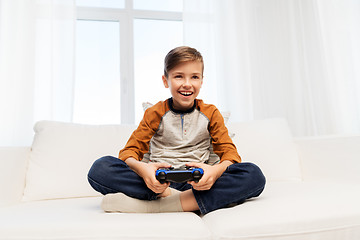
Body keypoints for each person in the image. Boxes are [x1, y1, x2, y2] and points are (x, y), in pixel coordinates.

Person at [88, 46, 266, 215]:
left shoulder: (211, 113)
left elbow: (231, 156)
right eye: (179, 76)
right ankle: (190, 202)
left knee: (253, 174)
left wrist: (213, 172)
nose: (187, 84)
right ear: (166, 81)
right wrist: (145, 170)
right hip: (159, 183)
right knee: (100, 168)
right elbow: (128, 153)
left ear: (202, 81)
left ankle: (160, 206)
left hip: (199, 183)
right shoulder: (155, 113)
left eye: (194, 77)